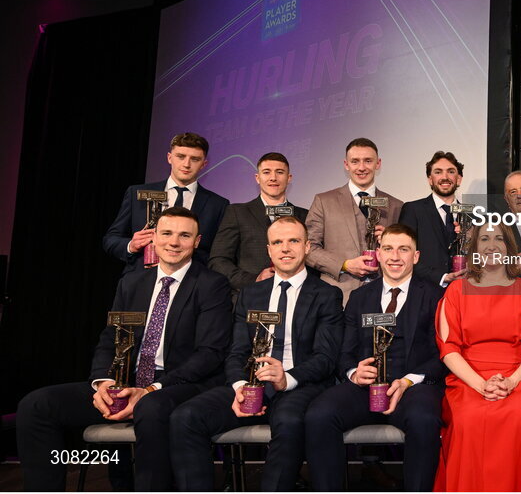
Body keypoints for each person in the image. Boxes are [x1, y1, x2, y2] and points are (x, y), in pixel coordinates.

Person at [18, 207, 232, 491]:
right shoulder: (132, 282)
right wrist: (103, 383)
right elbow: (110, 337)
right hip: (125, 382)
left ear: (197, 241)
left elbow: (210, 352)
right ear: (153, 237)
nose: (174, 242)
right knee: (37, 405)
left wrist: (152, 389)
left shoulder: (212, 284)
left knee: (150, 407)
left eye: (184, 235)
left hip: (177, 384)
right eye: (166, 233)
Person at [170, 216, 343, 491]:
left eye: (293, 241)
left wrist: (286, 378)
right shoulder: (250, 294)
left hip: (297, 386)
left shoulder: (326, 295)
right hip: (249, 385)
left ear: (307, 247)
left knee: (289, 421)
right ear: (269, 250)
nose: (285, 248)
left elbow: (325, 357)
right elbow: (236, 351)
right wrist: (240, 386)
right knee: (186, 417)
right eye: (278, 242)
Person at [305, 224, 446, 492]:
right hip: (363, 388)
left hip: (413, 387)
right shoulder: (358, 297)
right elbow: (343, 352)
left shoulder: (436, 297)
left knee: (424, 420)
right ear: (378, 255)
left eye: (403, 249)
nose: (395, 256)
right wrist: (353, 373)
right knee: (319, 415)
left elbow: (442, 353)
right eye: (388, 249)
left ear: (415, 256)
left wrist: (407, 381)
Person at [434, 222, 521, 491]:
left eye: (499, 239)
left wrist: (512, 381)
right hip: (468, 378)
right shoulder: (456, 291)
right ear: (475, 247)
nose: (491, 245)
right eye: (484, 239)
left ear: (509, 248)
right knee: (468, 419)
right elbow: (449, 350)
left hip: (520, 376)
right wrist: (481, 385)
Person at [102, 132, 229, 273]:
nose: (186, 164)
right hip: (139, 279)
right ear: (169, 158)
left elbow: (218, 255)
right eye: (180, 157)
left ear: (204, 164)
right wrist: (131, 245)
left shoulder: (218, 204)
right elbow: (111, 239)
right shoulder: (136, 193)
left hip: (191, 282)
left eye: (195, 159)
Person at [306, 138, 402, 304]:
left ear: (378, 164)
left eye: (368, 161)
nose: (362, 167)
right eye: (355, 161)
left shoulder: (396, 205)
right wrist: (344, 265)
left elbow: (406, 253)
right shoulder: (324, 201)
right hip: (337, 297)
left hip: (385, 297)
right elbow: (308, 248)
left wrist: (391, 241)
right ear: (346, 164)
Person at [209, 152, 308, 295]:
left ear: (289, 178)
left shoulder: (305, 216)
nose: (273, 178)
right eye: (266, 172)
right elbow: (218, 261)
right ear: (257, 178)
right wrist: (253, 279)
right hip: (249, 299)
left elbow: (312, 260)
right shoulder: (237, 212)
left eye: (279, 172)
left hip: (297, 298)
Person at [398, 151, 468, 287]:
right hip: (423, 292)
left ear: (459, 179)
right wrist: (442, 277)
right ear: (430, 179)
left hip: (462, 294)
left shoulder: (472, 216)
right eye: (438, 172)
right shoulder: (413, 210)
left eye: (451, 171)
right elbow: (405, 253)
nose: (445, 177)